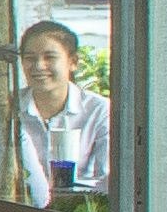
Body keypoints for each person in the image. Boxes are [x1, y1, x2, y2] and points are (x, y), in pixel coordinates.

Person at [10, 19, 110, 201]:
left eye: (49, 57)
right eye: (30, 58)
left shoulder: (99, 110)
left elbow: (106, 178)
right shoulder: (8, 107)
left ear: (73, 62)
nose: (39, 66)